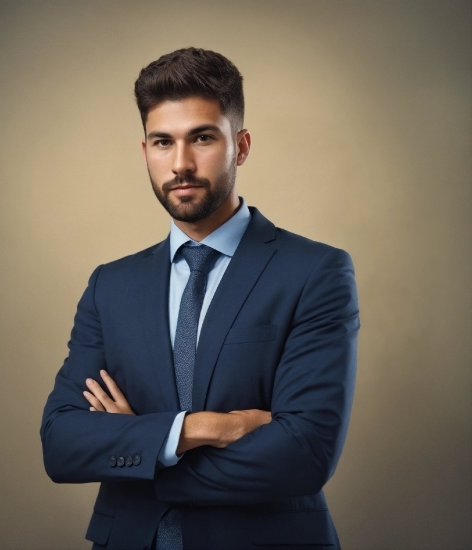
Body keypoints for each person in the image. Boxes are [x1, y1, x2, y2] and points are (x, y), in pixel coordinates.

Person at [41, 47, 359, 550]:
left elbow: (304, 454)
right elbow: (61, 444)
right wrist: (209, 427)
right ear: (144, 150)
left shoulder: (315, 272)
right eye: (163, 142)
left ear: (242, 145)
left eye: (203, 138)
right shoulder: (111, 285)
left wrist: (143, 452)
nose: (181, 164)